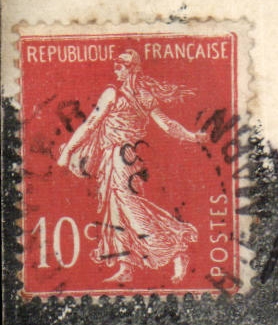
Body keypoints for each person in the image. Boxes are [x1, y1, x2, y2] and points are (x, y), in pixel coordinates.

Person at [56, 49, 209, 284]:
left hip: (121, 155)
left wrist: (67, 152)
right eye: (116, 65)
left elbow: (90, 125)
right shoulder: (139, 94)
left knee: (128, 205)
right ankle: (125, 265)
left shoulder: (114, 94)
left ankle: (175, 249)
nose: (116, 69)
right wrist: (192, 136)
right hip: (120, 156)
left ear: (130, 69)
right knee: (115, 207)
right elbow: (167, 125)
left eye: (120, 65)